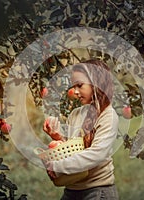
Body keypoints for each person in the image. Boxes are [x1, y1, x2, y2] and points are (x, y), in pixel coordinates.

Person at [43, 59, 119, 200]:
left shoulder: (108, 116)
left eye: (79, 85)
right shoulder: (76, 114)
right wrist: (59, 138)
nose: (75, 92)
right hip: (72, 189)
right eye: (74, 86)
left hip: (96, 191)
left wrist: (58, 166)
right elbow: (75, 149)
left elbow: (95, 155)